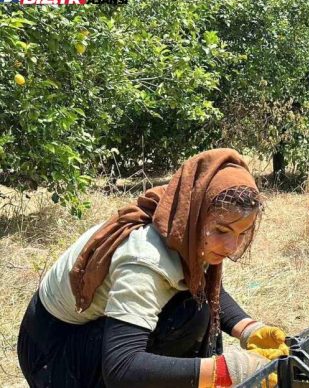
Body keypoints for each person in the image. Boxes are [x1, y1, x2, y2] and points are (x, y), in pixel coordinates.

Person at [17, 149, 286, 388]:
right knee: (186, 316)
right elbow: (121, 367)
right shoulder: (145, 257)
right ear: (196, 213)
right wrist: (224, 372)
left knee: (195, 306)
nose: (230, 245)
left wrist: (249, 329)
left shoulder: (182, 224)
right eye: (221, 230)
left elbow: (200, 284)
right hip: (52, 357)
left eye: (241, 233)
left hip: (80, 337)